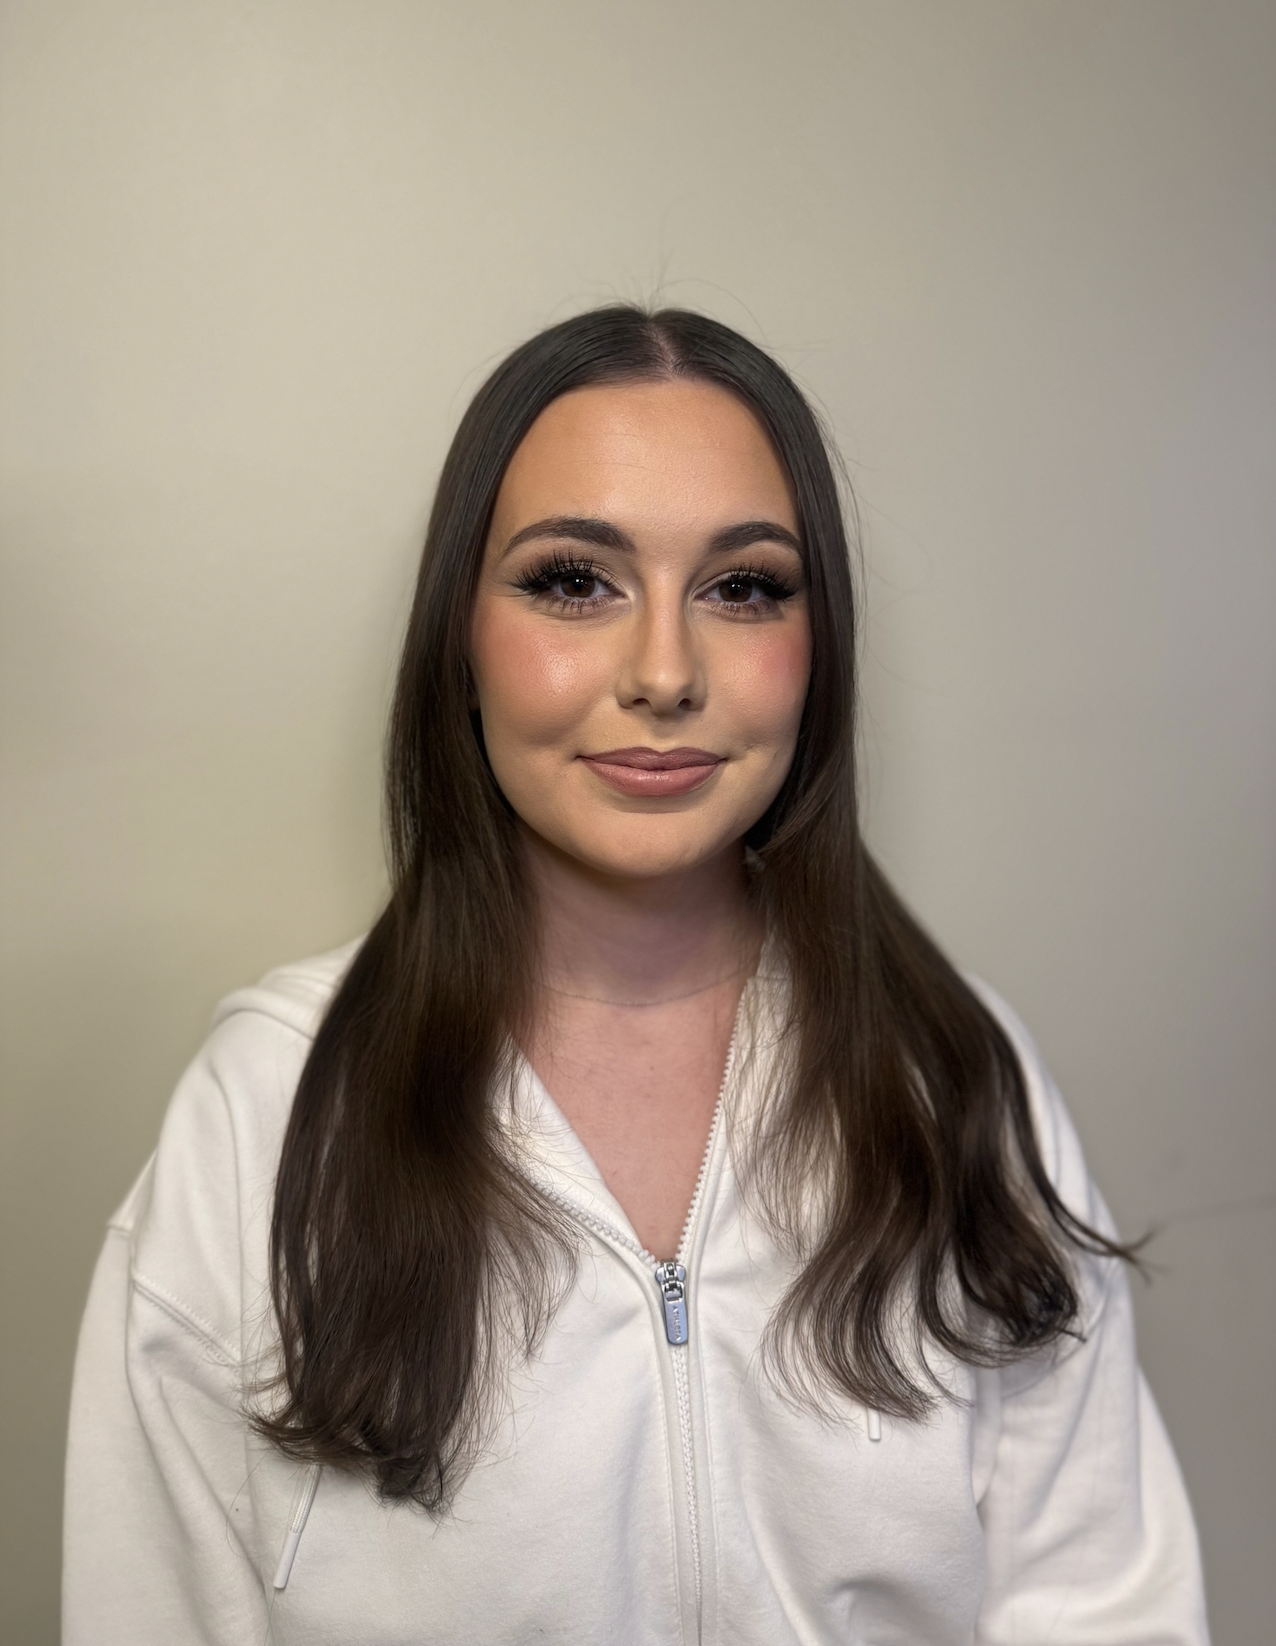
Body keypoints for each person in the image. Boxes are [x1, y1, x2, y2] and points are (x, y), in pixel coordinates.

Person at [63, 306, 1209, 1644]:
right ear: (461, 639)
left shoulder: (952, 1074)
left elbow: (1104, 1608)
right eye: (572, 580)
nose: (665, 673)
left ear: (816, 645)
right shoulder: (267, 1106)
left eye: (743, 587)